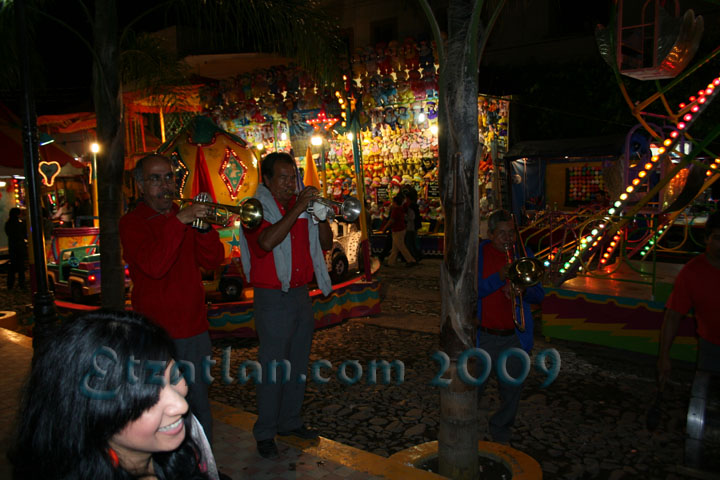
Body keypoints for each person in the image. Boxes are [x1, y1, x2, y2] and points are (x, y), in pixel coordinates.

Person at [9, 310, 219, 480]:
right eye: (148, 398)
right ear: (94, 414)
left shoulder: (188, 436)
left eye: (173, 377)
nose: (181, 405)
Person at [120, 154, 225, 444]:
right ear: (141, 185)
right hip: (157, 335)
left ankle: (203, 462)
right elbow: (155, 266)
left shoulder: (183, 215)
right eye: (155, 179)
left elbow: (213, 260)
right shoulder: (132, 223)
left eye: (169, 177)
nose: (165, 184)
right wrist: (179, 221)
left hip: (195, 328)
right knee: (163, 410)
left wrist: (204, 228)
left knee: (199, 406)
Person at [237, 152, 333, 458]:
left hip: (300, 293)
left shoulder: (300, 207)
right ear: (266, 180)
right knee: (273, 367)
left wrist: (321, 217)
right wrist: (298, 209)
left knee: (298, 362)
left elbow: (327, 243)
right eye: (283, 178)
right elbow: (266, 242)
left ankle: (290, 421)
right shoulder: (254, 208)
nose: (290, 183)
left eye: (293, 177)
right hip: (272, 297)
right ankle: (265, 431)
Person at [476, 209, 544, 443]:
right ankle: (467, 429)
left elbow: (539, 295)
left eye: (511, 233)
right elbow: (472, 292)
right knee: (474, 387)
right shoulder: (479, 255)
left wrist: (523, 291)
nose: (508, 239)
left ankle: (501, 428)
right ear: (490, 234)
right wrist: (499, 277)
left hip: (514, 337)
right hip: (483, 336)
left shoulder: (523, 254)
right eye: (502, 233)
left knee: (512, 389)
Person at [657, 210, 720, 385]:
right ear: (707, 239)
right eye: (718, 238)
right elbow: (673, 315)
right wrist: (664, 356)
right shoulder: (692, 272)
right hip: (711, 346)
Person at [379, 193, 417, 267]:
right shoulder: (400, 209)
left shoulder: (396, 210)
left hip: (398, 230)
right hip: (400, 229)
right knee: (395, 247)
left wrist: (384, 228)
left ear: (395, 202)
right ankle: (391, 262)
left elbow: (391, 220)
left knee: (401, 246)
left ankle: (411, 260)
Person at [4, 207, 27, 290]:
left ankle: (10, 284)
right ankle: (22, 284)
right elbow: (24, 232)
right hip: (20, 246)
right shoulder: (20, 223)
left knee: (12, 266)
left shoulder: (8, 223)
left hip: (12, 246)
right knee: (21, 266)